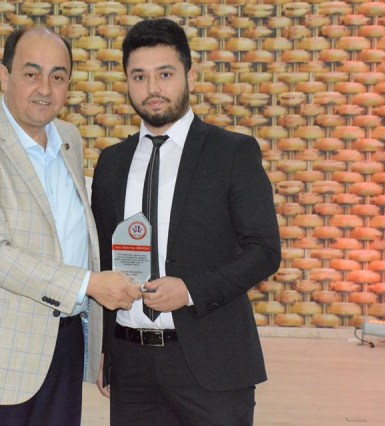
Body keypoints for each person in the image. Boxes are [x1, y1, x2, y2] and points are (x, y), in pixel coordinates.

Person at [0, 27, 141, 425]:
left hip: (63, 345)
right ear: (4, 76)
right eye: (31, 73)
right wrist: (88, 284)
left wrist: (98, 339)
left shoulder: (68, 139)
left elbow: (72, 238)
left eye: (58, 76)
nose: (45, 88)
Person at [91, 19, 282, 426]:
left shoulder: (232, 153)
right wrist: (106, 346)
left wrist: (191, 290)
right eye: (139, 77)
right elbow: (103, 258)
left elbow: (264, 251)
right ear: (127, 82)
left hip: (211, 362)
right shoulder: (112, 163)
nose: (152, 88)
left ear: (189, 76)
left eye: (165, 74)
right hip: (131, 365)